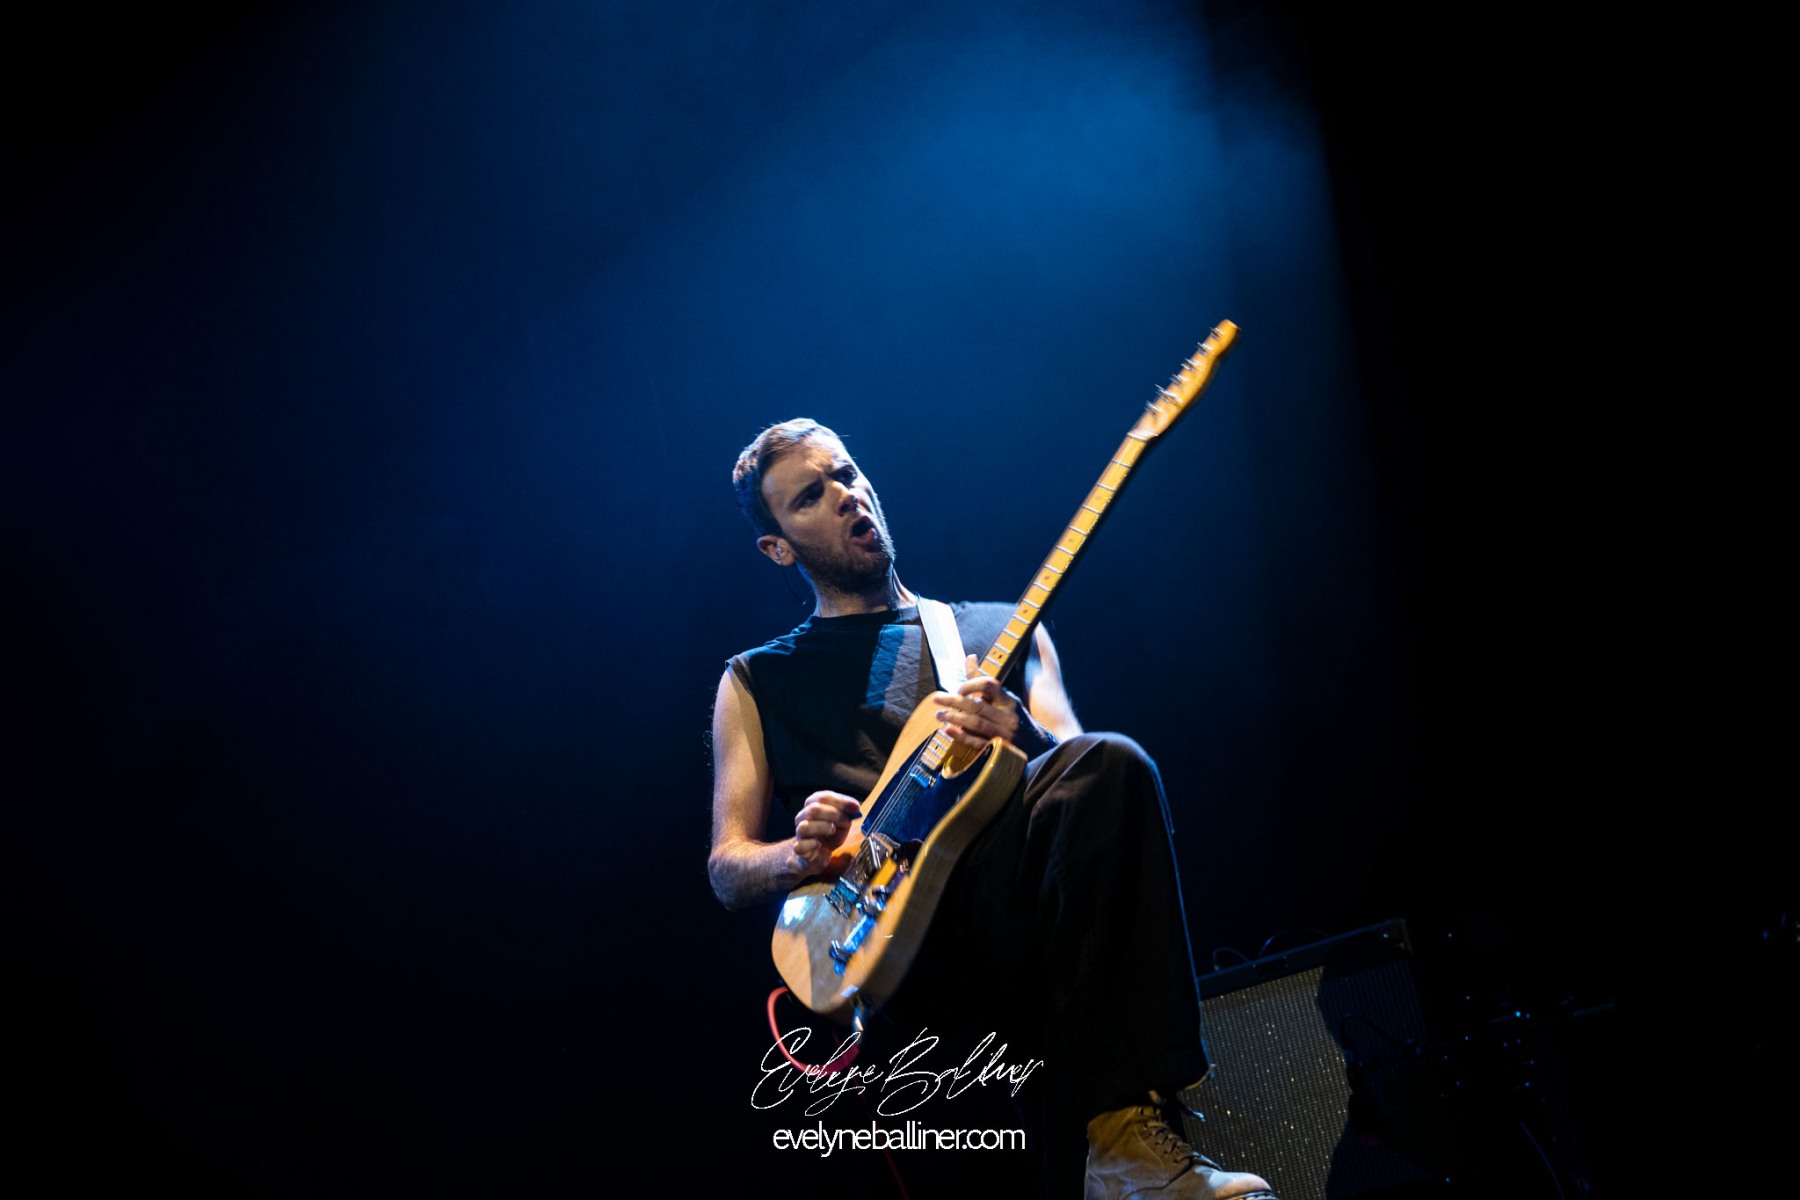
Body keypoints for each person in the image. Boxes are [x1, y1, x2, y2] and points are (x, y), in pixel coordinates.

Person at [708, 418, 1277, 1200]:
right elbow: (727, 867)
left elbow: (1087, 779)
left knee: (1113, 760)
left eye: (846, 473)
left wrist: (1022, 733)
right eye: (810, 496)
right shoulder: (754, 680)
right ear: (778, 547)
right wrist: (797, 855)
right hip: (898, 944)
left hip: (1020, 896)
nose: (845, 496)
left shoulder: (1000, 630)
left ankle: (1123, 1138)